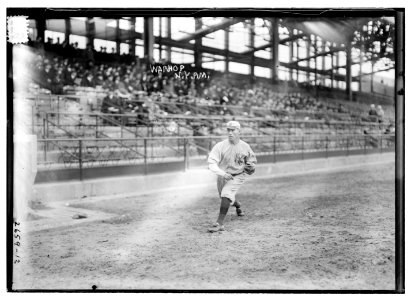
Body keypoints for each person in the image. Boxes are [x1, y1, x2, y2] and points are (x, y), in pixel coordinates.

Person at [207, 121, 257, 233]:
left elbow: (252, 161)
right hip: (223, 175)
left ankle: (219, 224)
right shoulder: (220, 146)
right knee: (224, 197)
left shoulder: (245, 146)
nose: (230, 132)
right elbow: (211, 163)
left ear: (239, 131)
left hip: (238, 175)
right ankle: (237, 204)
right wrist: (222, 174)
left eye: (233, 130)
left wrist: (251, 166)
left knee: (226, 194)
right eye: (228, 130)